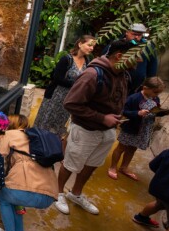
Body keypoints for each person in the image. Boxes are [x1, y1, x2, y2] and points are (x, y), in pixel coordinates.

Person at [55, 39, 132, 216]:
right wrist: (102, 118)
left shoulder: (123, 75)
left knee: (92, 164)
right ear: (119, 56)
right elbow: (71, 103)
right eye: (137, 56)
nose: (141, 61)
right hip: (85, 130)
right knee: (71, 163)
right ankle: (58, 193)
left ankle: (76, 194)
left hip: (107, 131)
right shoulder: (92, 74)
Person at [0, 114, 58, 231]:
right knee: (15, 198)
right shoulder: (36, 137)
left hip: (21, 191)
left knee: (5, 197)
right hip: (49, 195)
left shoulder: (10, 134)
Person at [34, 35, 95, 139]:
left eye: (93, 46)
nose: (92, 48)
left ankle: (52, 144)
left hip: (69, 99)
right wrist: (78, 84)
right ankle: (38, 142)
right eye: (89, 45)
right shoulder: (66, 59)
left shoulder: (87, 61)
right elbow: (57, 78)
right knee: (45, 121)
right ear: (80, 44)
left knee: (59, 124)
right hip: (55, 97)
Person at [108, 77, 166, 181]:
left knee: (132, 148)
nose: (157, 95)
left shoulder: (155, 98)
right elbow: (123, 111)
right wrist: (137, 113)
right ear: (145, 88)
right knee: (121, 147)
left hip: (143, 129)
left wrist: (160, 112)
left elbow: (156, 109)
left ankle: (124, 167)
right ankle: (113, 167)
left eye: (158, 93)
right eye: (155, 92)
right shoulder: (134, 98)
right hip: (131, 127)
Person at [102, 23, 158, 94]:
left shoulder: (148, 47)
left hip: (136, 89)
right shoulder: (116, 44)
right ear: (127, 32)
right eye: (134, 34)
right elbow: (104, 59)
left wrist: (150, 85)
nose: (137, 37)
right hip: (114, 86)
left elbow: (152, 67)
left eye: (140, 35)